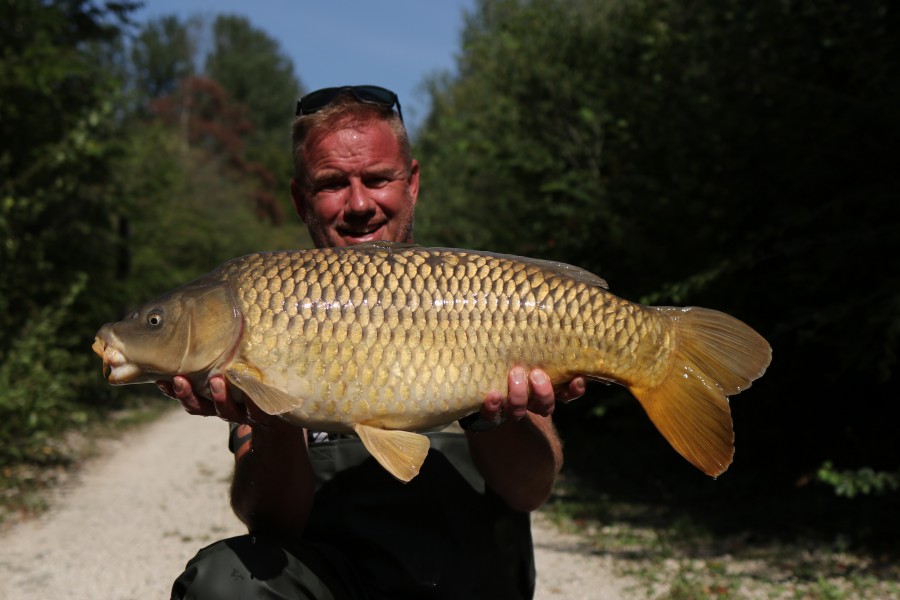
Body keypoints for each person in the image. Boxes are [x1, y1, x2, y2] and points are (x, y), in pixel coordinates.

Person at [165, 85, 585, 599]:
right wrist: (268, 419)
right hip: (335, 584)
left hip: (472, 583)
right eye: (333, 183)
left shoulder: (481, 295)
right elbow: (271, 523)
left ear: (412, 183)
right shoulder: (271, 308)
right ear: (301, 199)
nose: (359, 203)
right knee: (223, 584)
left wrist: (491, 416)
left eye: (378, 179)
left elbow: (530, 490)